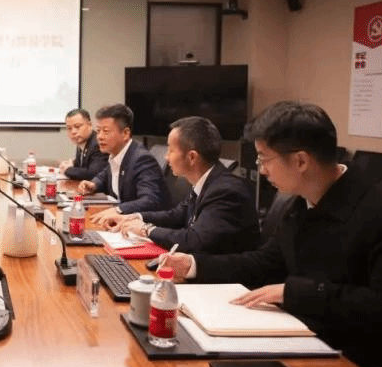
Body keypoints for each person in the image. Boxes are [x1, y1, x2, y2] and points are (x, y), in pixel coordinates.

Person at [160, 101, 382, 367]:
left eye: (264, 159)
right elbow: (265, 262)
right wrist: (194, 265)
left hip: (355, 365)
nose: (261, 170)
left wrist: (294, 292)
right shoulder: (299, 204)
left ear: (301, 161)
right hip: (300, 342)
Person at [100, 116, 259, 255]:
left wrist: (146, 229)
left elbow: (194, 240)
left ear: (192, 157)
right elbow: (176, 215)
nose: (166, 157)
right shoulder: (204, 181)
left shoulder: (226, 191)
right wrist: (134, 217)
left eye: (170, 150)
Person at [79, 103, 168, 218]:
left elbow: (150, 200)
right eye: (98, 130)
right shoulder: (117, 154)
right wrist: (94, 184)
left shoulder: (141, 159)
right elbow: (106, 174)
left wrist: (118, 210)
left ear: (125, 133)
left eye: (106, 131)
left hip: (142, 224)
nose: (99, 137)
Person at [57, 108, 108, 181]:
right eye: (69, 128)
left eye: (77, 126)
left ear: (90, 125)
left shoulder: (98, 143)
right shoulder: (82, 143)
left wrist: (67, 170)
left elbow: (92, 174)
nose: (73, 132)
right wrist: (72, 164)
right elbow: (81, 167)